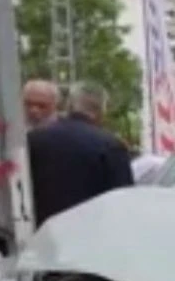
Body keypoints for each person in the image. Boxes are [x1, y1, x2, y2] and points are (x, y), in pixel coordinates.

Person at [27, 82, 134, 226]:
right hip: (90, 232)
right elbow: (123, 202)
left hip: (42, 232)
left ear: (69, 106)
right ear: (102, 111)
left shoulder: (33, 139)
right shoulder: (112, 146)